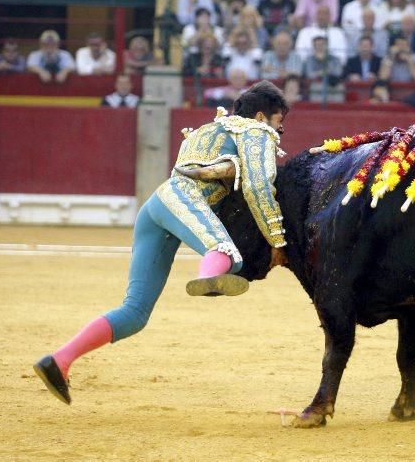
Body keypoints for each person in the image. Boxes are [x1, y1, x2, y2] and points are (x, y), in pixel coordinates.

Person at [34, 81, 291, 405]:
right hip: (184, 198)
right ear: (262, 116)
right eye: (279, 122)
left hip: (159, 205)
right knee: (227, 255)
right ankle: (207, 277)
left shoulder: (207, 129)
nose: (279, 131)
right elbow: (257, 188)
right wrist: (277, 241)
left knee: (135, 313)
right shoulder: (256, 132)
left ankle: (60, 360)